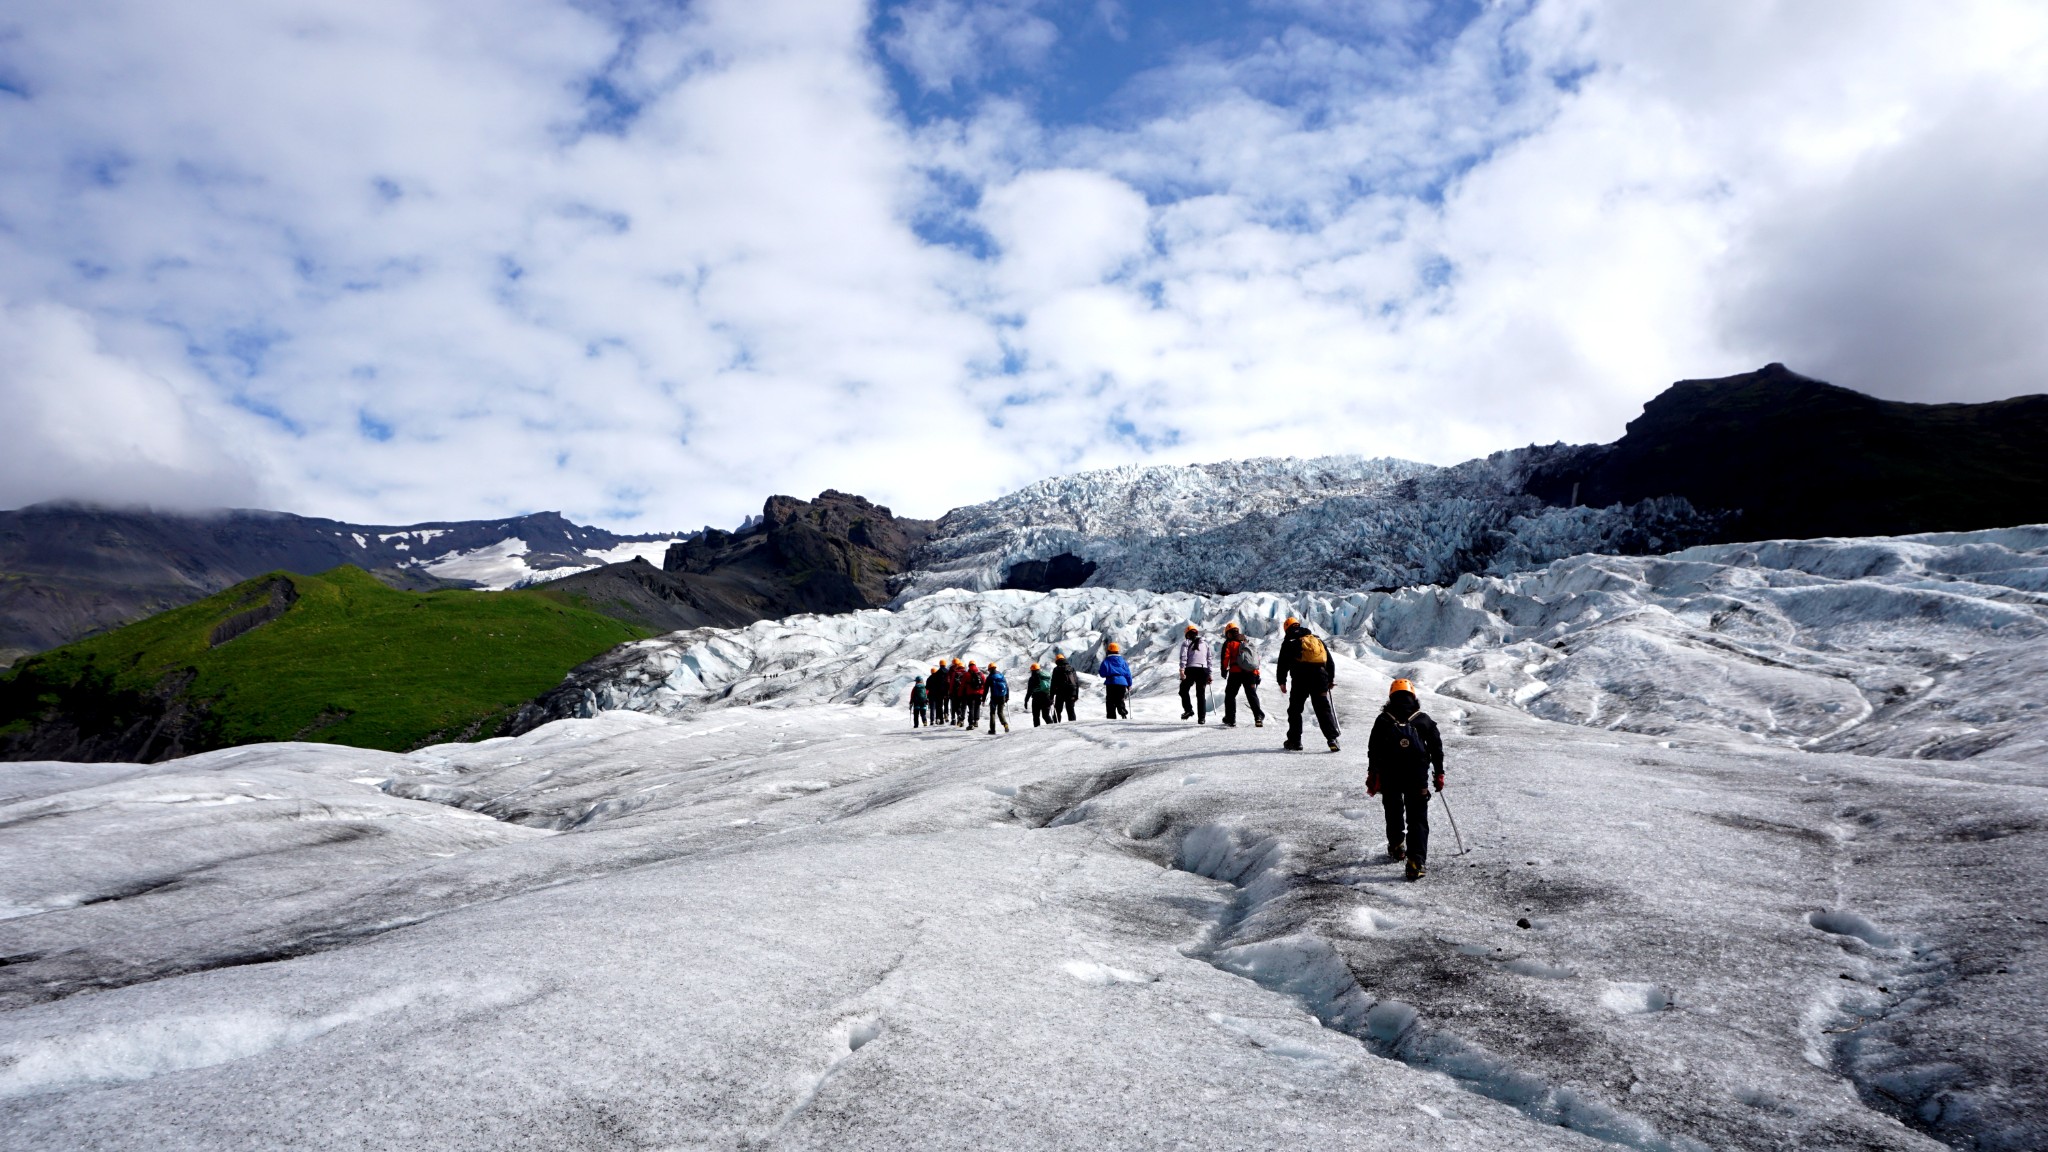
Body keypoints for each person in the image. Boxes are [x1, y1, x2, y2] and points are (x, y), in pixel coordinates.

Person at [1367, 678, 1445, 880]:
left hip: (1389, 775)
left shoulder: (1383, 719)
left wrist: (1373, 773)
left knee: (1393, 811)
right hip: (1417, 777)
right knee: (1417, 818)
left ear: (1391, 696)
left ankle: (1396, 846)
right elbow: (1436, 748)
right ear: (1413, 696)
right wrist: (1439, 773)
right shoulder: (1423, 719)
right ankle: (1415, 862)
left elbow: (1373, 749)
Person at [1276, 616, 1340, 752]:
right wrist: (1330, 679)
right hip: (1320, 677)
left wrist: (1281, 681)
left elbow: (1282, 663)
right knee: (1323, 709)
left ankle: (1295, 741)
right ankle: (1332, 739)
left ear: (1286, 628)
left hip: (1300, 678)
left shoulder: (1289, 641)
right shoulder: (1316, 639)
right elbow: (1329, 661)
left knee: (1295, 710)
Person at [1219, 622, 1264, 728]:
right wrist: (1257, 674)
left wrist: (1224, 669)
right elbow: (1255, 658)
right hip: (1250, 673)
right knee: (1251, 695)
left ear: (1229, 633)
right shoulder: (1247, 641)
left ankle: (1231, 719)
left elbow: (1225, 657)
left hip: (1236, 673)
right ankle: (1258, 717)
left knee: (1230, 695)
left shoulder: (1229, 643)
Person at [1178, 625, 1213, 723]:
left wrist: (1182, 670)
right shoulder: (1205, 644)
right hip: (1204, 670)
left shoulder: (1186, 643)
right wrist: (1209, 674)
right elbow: (1209, 659)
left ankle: (1188, 710)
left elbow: (1183, 657)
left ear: (1187, 634)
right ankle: (1202, 718)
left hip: (1191, 669)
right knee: (1201, 694)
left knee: (1183, 690)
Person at [1098, 642, 1133, 719]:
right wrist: (1129, 684)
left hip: (1111, 683)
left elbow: (1102, 673)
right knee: (1120, 699)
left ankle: (1111, 717)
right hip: (1122, 683)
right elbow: (1128, 673)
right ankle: (1123, 712)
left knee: (1110, 701)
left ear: (1108, 651)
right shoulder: (1123, 661)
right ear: (1118, 650)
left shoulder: (1106, 661)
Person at [1050, 653, 1079, 722]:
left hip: (1060, 692)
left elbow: (1053, 683)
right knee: (1070, 709)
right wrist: (1076, 695)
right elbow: (1076, 682)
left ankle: (1057, 724)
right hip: (1071, 691)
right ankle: (1073, 723)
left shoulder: (1056, 669)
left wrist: (1051, 696)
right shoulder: (1071, 668)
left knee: (1057, 710)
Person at [985, 662, 1011, 733]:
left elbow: (986, 689)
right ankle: (1005, 724)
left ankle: (992, 730)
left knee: (992, 713)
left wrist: (983, 699)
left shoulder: (989, 677)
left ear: (989, 669)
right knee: (1000, 712)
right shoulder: (1001, 675)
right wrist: (1007, 697)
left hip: (994, 697)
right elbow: (1007, 686)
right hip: (1002, 696)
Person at [1027, 662, 1054, 726]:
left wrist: (1026, 700)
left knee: (1036, 717)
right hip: (1047, 697)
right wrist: (1051, 698)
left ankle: (1037, 731)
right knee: (1046, 715)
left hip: (1036, 699)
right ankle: (1052, 728)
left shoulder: (1032, 678)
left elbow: (1029, 691)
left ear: (1032, 670)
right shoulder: (1045, 676)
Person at [963, 661, 987, 730]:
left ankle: (971, 724)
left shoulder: (967, 674)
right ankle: (976, 721)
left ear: (969, 665)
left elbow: (963, 685)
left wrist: (960, 693)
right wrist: (983, 693)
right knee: (977, 707)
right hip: (979, 694)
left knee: (971, 708)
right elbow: (984, 684)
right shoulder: (980, 674)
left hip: (970, 694)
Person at [948, 659, 968, 726]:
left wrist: (950, 692)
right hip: (964, 693)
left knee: (956, 705)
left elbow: (951, 684)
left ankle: (957, 717)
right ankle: (962, 719)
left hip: (955, 692)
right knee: (963, 706)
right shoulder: (966, 673)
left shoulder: (954, 673)